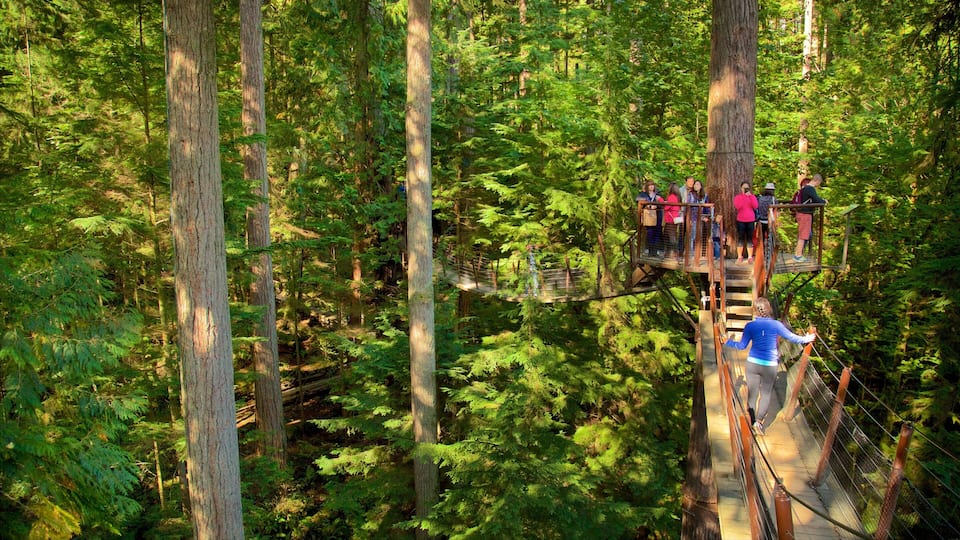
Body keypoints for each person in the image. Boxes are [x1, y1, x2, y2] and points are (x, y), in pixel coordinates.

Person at [722, 297, 816, 434]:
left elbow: (742, 346)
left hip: (753, 363)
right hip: (770, 366)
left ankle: (751, 420)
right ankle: (758, 422)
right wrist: (807, 339)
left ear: (755, 310)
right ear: (769, 309)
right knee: (765, 394)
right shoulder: (776, 325)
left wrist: (728, 342)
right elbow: (792, 337)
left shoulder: (750, 326)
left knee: (752, 394)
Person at [793, 175, 827, 262]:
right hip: (805, 214)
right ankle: (798, 255)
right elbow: (816, 199)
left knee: (804, 234)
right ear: (817, 181)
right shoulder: (810, 189)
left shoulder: (805, 188)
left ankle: (798, 254)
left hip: (801, 213)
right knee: (803, 235)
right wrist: (824, 202)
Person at [733, 181, 759, 264]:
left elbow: (755, 206)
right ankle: (740, 256)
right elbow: (738, 206)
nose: (745, 189)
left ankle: (750, 257)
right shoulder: (738, 197)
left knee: (749, 239)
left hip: (750, 220)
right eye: (744, 187)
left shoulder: (752, 197)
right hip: (741, 220)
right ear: (741, 188)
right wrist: (744, 197)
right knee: (740, 239)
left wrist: (750, 196)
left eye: (747, 187)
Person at [637, 181, 663, 256]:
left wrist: (656, 205)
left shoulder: (657, 194)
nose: (651, 187)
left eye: (653, 185)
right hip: (649, 215)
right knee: (650, 232)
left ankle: (655, 250)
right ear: (647, 187)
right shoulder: (643, 194)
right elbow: (639, 201)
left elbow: (662, 203)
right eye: (650, 185)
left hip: (657, 215)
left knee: (657, 231)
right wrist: (647, 205)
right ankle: (650, 250)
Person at [686, 180, 709, 258]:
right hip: (693, 218)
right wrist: (689, 219)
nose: (696, 185)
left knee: (699, 236)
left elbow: (706, 207)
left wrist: (706, 216)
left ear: (701, 186)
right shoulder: (690, 195)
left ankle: (697, 253)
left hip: (701, 218)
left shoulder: (705, 196)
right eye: (695, 184)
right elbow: (688, 207)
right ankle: (690, 253)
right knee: (692, 236)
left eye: (698, 184)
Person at [662, 182, 683, 258]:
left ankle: (674, 253)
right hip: (675, 218)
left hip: (670, 219)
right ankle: (669, 252)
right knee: (669, 235)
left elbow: (667, 207)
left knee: (670, 236)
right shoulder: (678, 197)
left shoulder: (671, 196)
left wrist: (661, 200)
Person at [757, 182, 776, 248]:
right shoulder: (773, 199)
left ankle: (761, 251)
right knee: (770, 237)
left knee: (761, 237)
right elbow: (775, 209)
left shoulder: (760, 198)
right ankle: (769, 252)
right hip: (769, 221)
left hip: (760, 220)